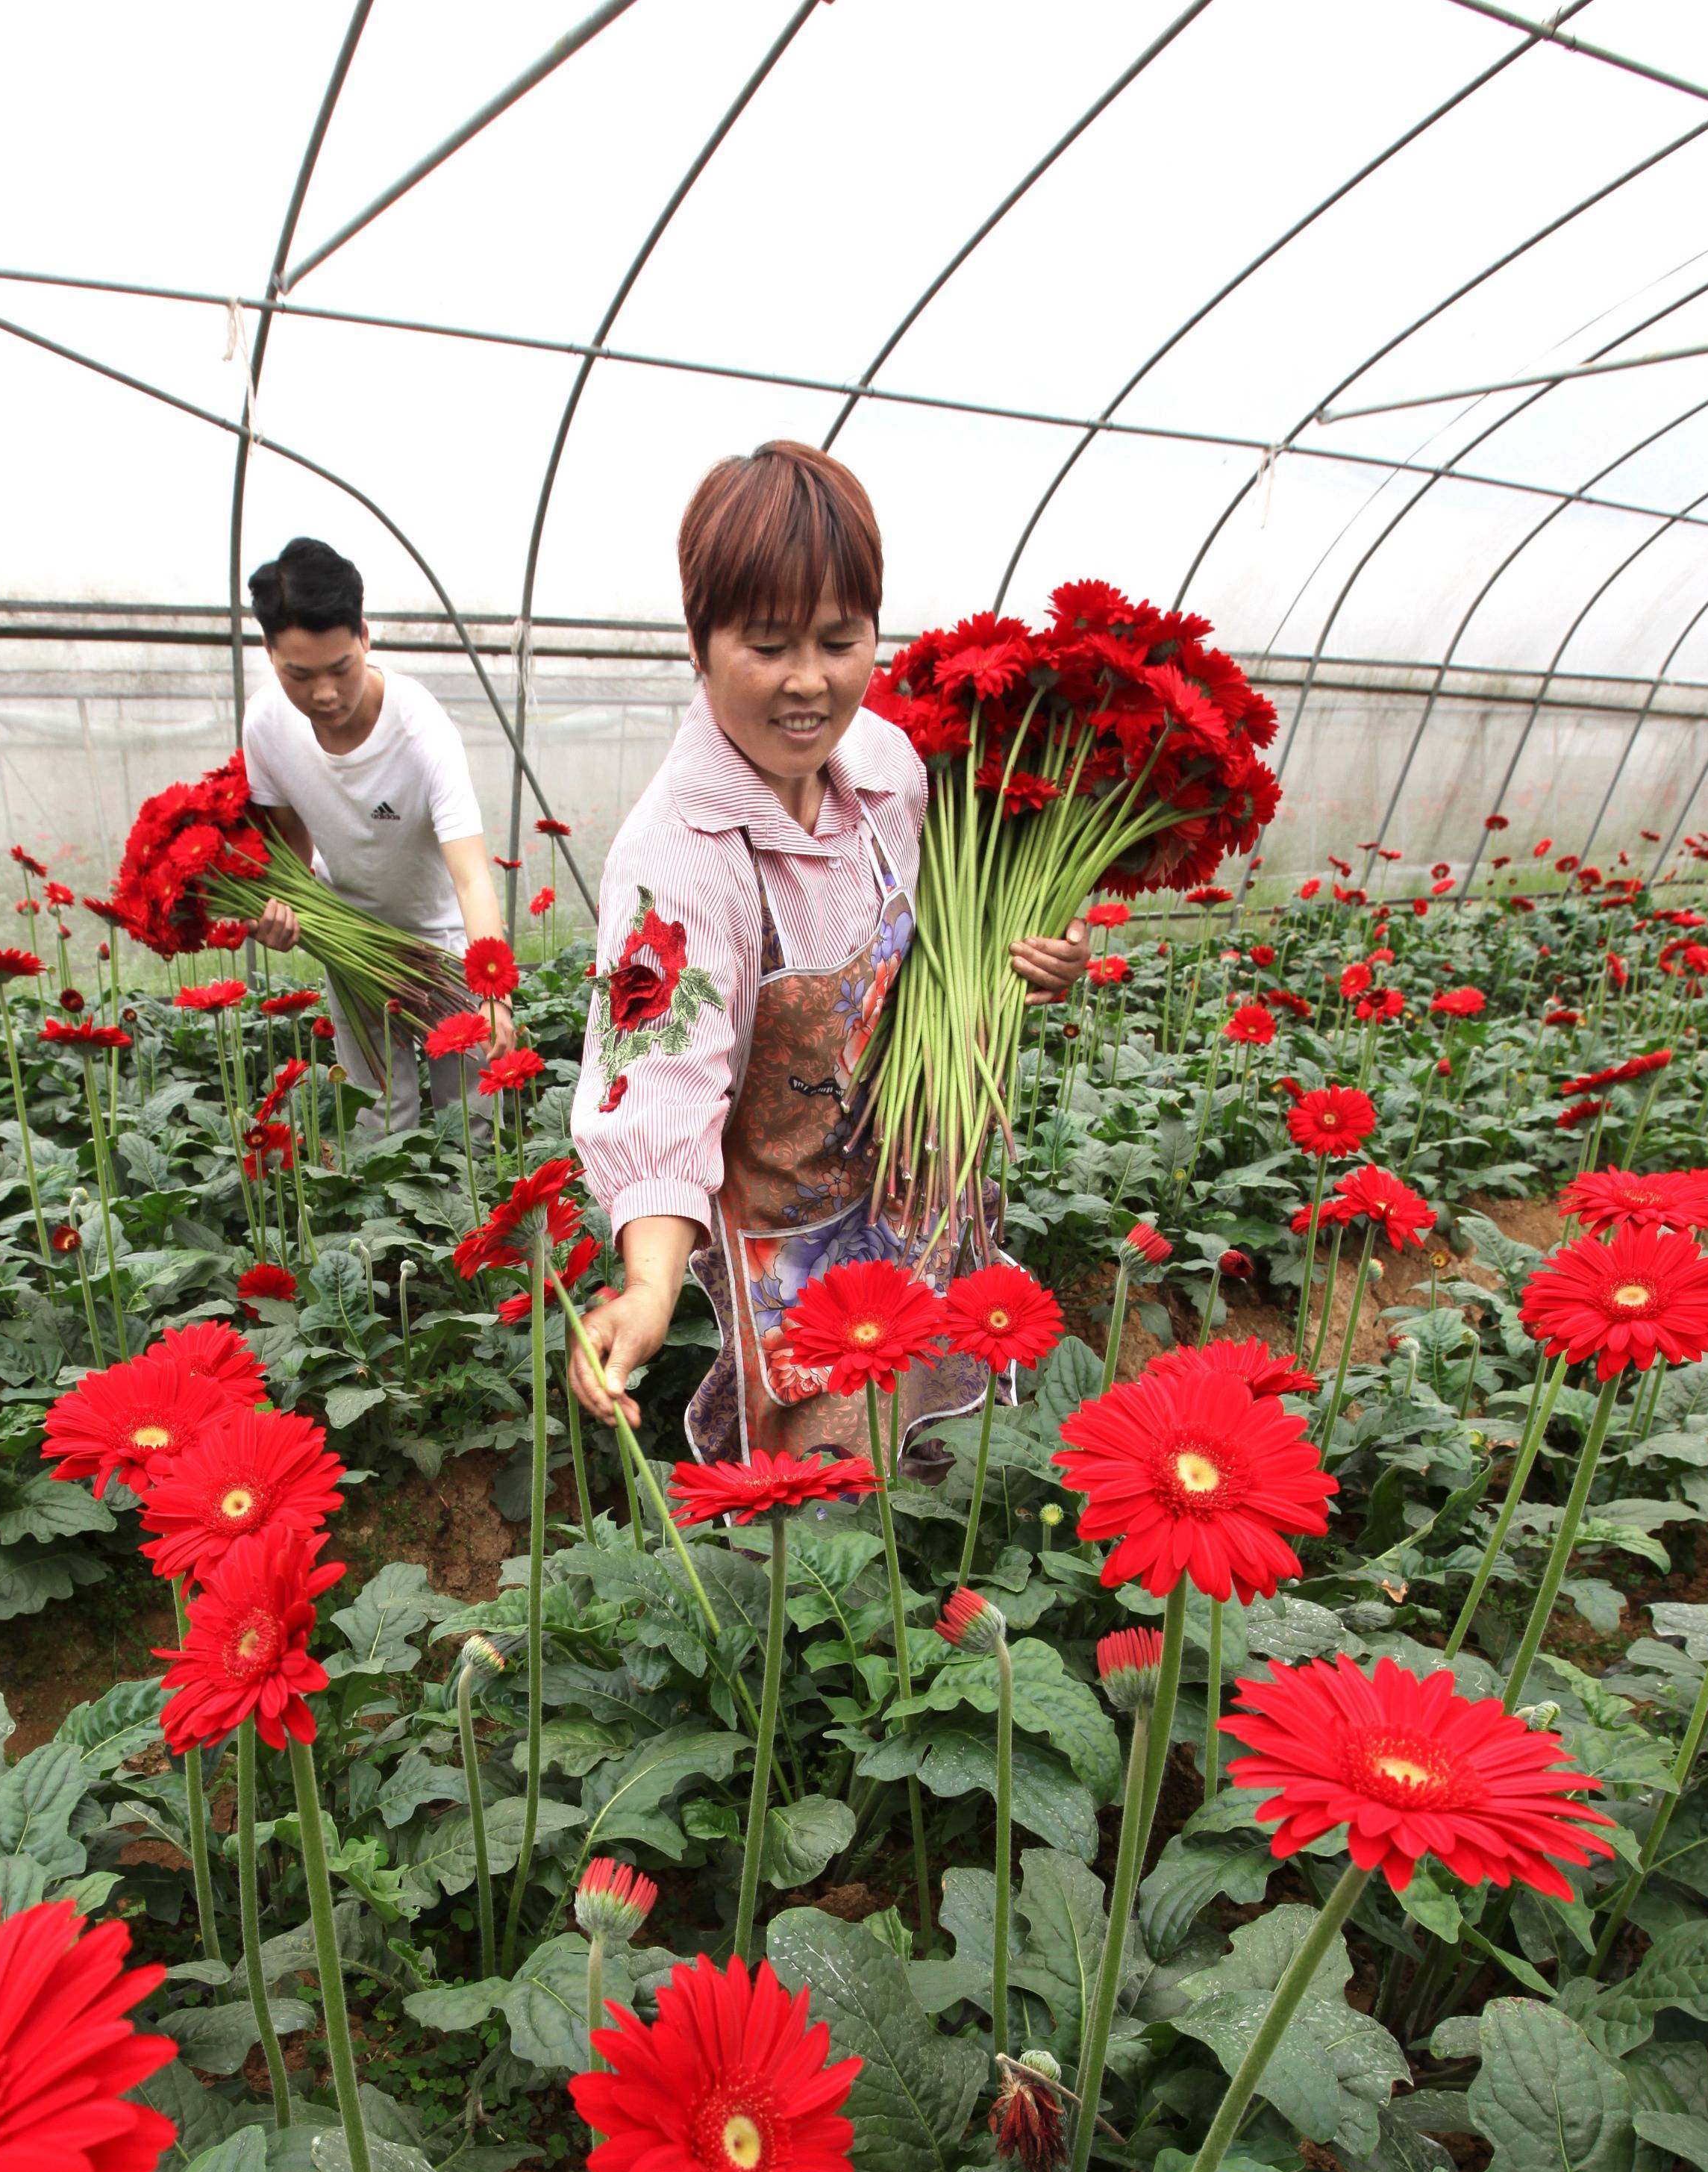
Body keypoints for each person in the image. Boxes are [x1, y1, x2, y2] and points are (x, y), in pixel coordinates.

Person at [565, 440, 1089, 1463]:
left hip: (922, 1184)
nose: (809, 682)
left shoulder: (891, 764)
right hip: (795, 1255)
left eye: (840, 640)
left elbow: (955, 933)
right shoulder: (675, 855)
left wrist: (1038, 946)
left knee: (954, 1455)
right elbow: (660, 1087)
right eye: (766, 646)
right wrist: (650, 1285)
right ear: (698, 641)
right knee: (834, 1522)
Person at [242, 535, 511, 1126]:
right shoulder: (265, 724)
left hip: (445, 946)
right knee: (380, 1119)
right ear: (268, 651)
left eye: (340, 668)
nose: (325, 693)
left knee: (471, 1119)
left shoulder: (421, 731)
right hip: (351, 941)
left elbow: (470, 875)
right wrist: (282, 906)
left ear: (365, 635)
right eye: (299, 674)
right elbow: (289, 845)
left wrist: (493, 993)